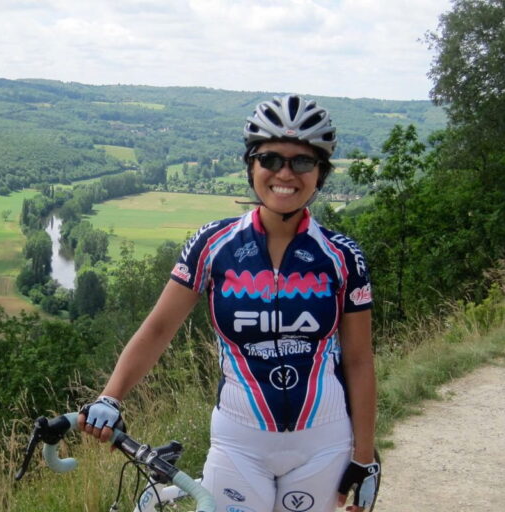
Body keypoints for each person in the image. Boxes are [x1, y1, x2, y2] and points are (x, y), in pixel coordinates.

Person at [78, 94, 380, 511]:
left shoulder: (343, 255)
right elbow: (159, 329)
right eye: (270, 159)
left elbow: (359, 360)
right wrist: (110, 397)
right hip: (239, 443)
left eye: (302, 162)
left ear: (321, 173)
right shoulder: (212, 244)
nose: (285, 173)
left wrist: (364, 457)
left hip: (324, 444)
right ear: (251, 166)